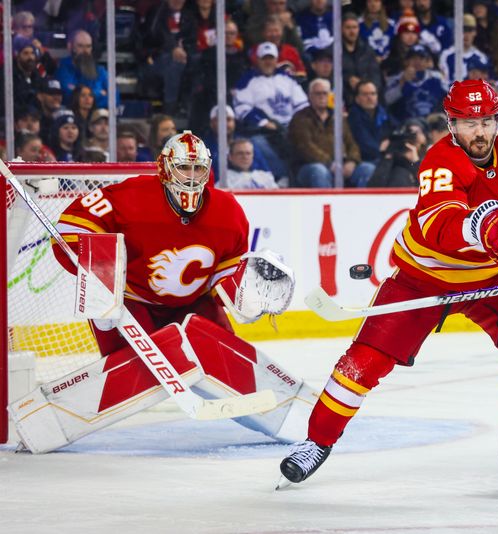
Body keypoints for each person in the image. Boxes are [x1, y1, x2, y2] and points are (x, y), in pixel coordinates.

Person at [278, 79, 498, 495]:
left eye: (485, 121)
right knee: (364, 361)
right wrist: (494, 227)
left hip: (492, 278)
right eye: (467, 123)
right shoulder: (440, 160)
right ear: (451, 124)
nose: (477, 132)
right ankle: (316, 441)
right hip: (421, 277)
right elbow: (442, 225)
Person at [13, 131, 301, 454]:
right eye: (183, 169)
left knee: (224, 361)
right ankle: (44, 421)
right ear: (165, 169)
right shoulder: (130, 195)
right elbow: (69, 228)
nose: (191, 179)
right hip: (133, 305)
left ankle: (294, 411)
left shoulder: (229, 212)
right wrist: (103, 277)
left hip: (192, 304)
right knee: (131, 374)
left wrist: (248, 299)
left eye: (197, 170)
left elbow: (225, 275)